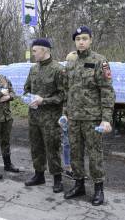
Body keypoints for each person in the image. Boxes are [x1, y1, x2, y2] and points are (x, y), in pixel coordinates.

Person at [63, 26, 115, 206]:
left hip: (93, 118)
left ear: (91, 40)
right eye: (78, 39)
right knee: (75, 153)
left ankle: (99, 189)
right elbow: (67, 91)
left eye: (84, 38)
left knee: (95, 154)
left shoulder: (100, 61)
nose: (81, 42)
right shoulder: (71, 64)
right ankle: (79, 185)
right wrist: (65, 113)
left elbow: (107, 91)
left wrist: (106, 118)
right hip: (74, 118)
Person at [23, 38, 64, 193]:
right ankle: (38, 175)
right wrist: (29, 99)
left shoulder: (58, 69)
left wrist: (43, 101)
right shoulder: (33, 69)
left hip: (51, 118)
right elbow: (26, 89)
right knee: (36, 147)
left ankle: (57, 179)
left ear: (44, 50)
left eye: (35, 51)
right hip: (34, 116)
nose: (33, 53)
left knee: (52, 148)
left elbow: (63, 95)